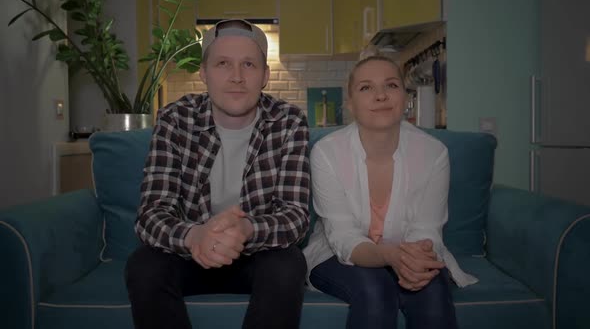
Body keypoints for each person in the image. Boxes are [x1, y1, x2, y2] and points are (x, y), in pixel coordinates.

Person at [125, 19, 310, 329]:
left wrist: (245, 230)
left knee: (289, 264)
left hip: (256, 254)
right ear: (203, 73)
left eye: (248, 65)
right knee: (144, 265)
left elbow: (295, 215)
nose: (236, 77)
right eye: (223, 63)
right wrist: (194, 235)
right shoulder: (175, 118)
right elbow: (151, 213)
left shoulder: (289, 121)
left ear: (264, 75)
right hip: (190, 252)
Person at [303, 53, 477, 329]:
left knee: (432, 293)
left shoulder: (433, 153)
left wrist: (410, 262)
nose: (380, 95)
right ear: (350, 104)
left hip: (413, 254)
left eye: (391, 85)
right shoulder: (327, 153)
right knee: (376, 292)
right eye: (366, 87)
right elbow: (343, 237)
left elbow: (427, 230)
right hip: (338, 256)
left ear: (405, 98)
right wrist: (389, 256)